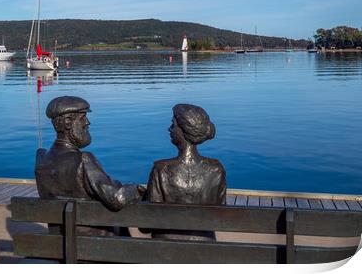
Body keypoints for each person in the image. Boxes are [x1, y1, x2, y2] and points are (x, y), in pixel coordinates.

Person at [35, 96, 144, 236]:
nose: (87, 122)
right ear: (68, 122)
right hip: (92, 247)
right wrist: (137, 190)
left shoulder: (41, 159)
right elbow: (117, 198)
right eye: (82, 118)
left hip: (59, 243)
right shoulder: (83, 160)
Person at [145, 103, 226, 241]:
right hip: (205, 246)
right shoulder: (216, 170)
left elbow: (146, 225)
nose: (169, 129)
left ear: (184, 130)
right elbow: (221, 215)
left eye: (173, 125)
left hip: (165, 249)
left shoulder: (161, 170)